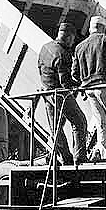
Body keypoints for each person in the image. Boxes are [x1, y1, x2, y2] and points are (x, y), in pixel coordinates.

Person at [72, 15, 106, 164]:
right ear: (102, 27)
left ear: (90, 29)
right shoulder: (105, 39)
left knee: (101, 122)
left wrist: (84, 80)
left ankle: (101, 152)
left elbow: (74, 74)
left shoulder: (79, 47)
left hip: (89, 89)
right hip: (105, 86)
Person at [38, 22, 87, 166]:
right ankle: (79, 158)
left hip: (47, 92)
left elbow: (39, 67)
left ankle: (65, 157)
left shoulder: (45, 47)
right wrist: (80, 85)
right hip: (59, 94)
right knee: (79, 121)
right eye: (72, 39)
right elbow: (65, 82)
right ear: (69, 37)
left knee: (55, 129)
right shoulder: (62, 53)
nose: (73, 42)